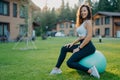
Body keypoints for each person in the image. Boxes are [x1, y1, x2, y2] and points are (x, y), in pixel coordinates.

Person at [50, 4, 100, 79]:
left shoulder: (88, 22)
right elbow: (81, 37)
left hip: (88, 47)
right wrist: (72, 43)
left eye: (85, 11)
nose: (83, 12)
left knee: (70, 63)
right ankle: (56, 69)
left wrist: (79, 48)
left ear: (88, 12)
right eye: (81, 11)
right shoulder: (83, 22)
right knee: (64, 48)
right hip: (83, 45)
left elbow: (89, 37)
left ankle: (91, 71)